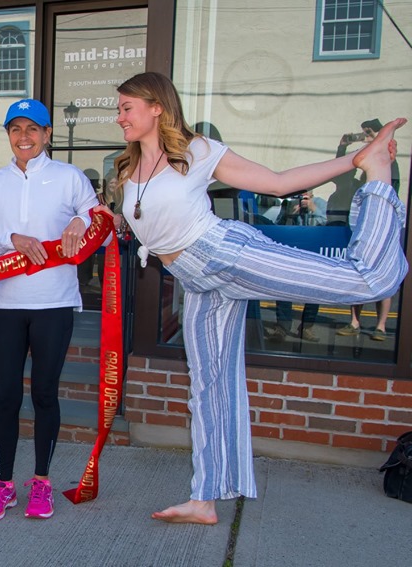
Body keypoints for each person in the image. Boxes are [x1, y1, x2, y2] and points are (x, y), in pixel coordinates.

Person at [113, 71, 406, 524]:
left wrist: (356, 160)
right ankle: (204, 499)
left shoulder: (198, 150)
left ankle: (379, 178)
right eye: (119, 109)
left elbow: (277, 182)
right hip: (195, 279)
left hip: (225, 254)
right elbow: (131, 218)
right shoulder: (129, 169)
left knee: (365, 281)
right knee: (208, 385)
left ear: (156, 107)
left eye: (126, 108)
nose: (119, 118)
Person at [0, 98, 101, 521]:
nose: (23, 137)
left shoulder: (71, 178)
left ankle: (41, 483)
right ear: (8, 135)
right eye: (15, 129)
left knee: (44, 394)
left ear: (47, 135)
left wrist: (84, 220)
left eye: (32, 129)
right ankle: (4, 484)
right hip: (5, 305)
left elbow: (98, 219)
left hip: (54, 304)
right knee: (6, 397)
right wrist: (11, 239)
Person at [331, 119, 402, 342]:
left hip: (383, 226)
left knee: (380, 274)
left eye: (369, 134)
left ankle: (381, 325)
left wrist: (380, 140)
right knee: (359, 273)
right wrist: (343, 147)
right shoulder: (361, 176)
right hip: (362, 227)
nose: (365, 138)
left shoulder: (387, 165)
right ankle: (354, 322)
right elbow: (341, 175)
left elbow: (391, 174)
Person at [266, 190, 327, 343]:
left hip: (312, 254)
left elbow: (325, 224)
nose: (303, 193)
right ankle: (282, 327)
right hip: (291, 252)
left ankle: (306, 327)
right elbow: (278, 227)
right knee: (283, 290)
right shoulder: (289, 203)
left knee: (314, 291)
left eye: (307, 190)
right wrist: (289, 214)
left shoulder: (320, 203)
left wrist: (313, 209)